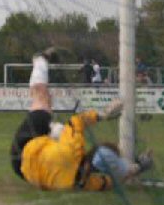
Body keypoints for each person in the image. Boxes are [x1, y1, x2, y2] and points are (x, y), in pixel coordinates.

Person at [10, 48, 153, 192]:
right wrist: (138, 168)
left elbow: (76, 121)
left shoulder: (74, 149)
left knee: (42, 98)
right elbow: (111, 182)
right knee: (58, 130)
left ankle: (40, 60)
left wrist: (102, 115)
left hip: (25, 148)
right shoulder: (82, 183)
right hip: (23, 171)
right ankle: (53, 129)